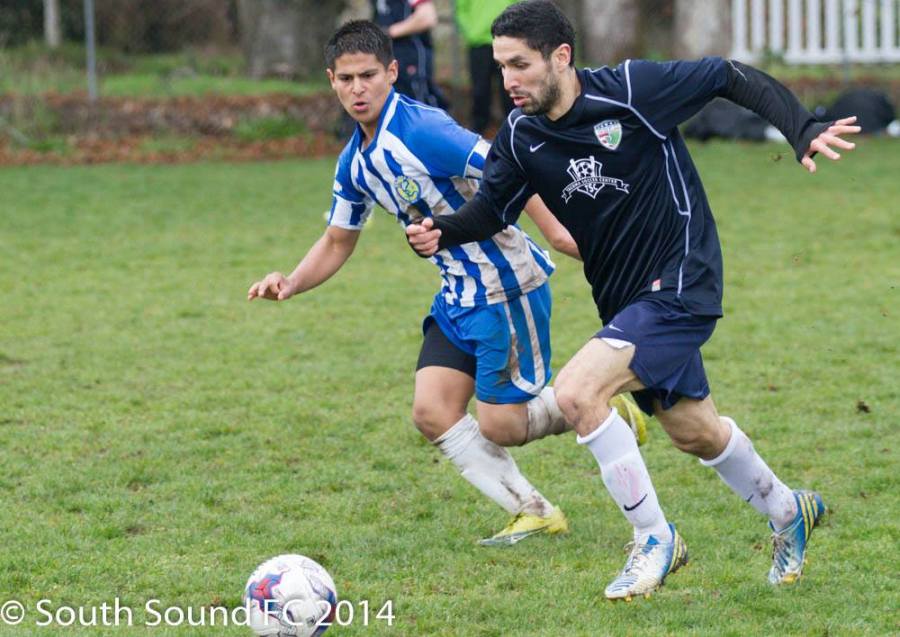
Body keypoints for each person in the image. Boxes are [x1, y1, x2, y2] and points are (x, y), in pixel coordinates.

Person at [407, 0, 860, 598]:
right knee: (695, 431)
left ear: (561, 57)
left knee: (577, 392)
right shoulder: (520, 135)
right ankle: (787, 510)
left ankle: (653, 538)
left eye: (520, 64)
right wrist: (445, 230)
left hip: (681, 278)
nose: (508, 79)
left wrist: (799, 126)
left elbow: (727, 74)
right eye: (501, 66)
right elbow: (492, 208)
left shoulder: (632, 91)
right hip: (624, 302)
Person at [247, 20, 647, 547]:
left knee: (501, 425)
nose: (357, 89)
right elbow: (339, 240)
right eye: (345, 79)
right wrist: (292, 281)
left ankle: (605, 403)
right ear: (331, 80)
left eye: (368, 75)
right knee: (431, 411)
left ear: (392, 72)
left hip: (505, 289)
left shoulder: (422, 131)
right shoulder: (356, 160)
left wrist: (554, 231)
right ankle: (534, 510)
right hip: (458, 295)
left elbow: (511, 164)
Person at [373, 0, 448, 109]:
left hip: (411, 57)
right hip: (387, 56)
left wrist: (389, 32)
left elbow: (427, 17)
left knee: (420, 105)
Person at [454, 0, 515, 134]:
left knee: (510, 88)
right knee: (480, 90)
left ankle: (514, 128)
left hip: (508, 42)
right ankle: (478, 130)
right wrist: (471, 33)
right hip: (479, 44)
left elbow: (521, 7)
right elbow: (461, 9)